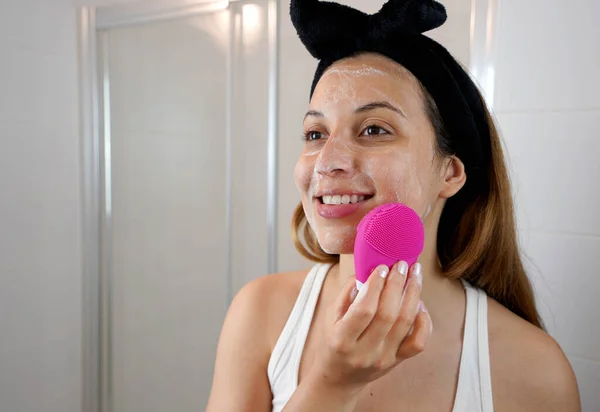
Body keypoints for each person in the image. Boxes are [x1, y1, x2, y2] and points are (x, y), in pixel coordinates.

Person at [206, 0, 581, 410]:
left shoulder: (535, 369)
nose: (328, 162)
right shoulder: (260, 312)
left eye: (373, 129)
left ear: (451, 173)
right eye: (315, 133)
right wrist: (332, 385)